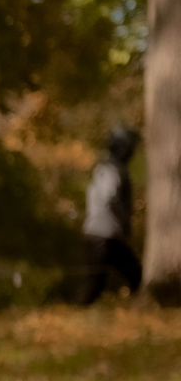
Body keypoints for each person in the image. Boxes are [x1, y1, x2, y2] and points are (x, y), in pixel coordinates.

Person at [80, 126, 142, 306]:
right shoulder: (111, 169)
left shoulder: (107, 167)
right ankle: (81, 314)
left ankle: (83, 313)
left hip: (102, 233)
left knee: (99, 280)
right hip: (105, 235)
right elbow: (109, 196)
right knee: (98, 281)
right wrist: (123, 220)